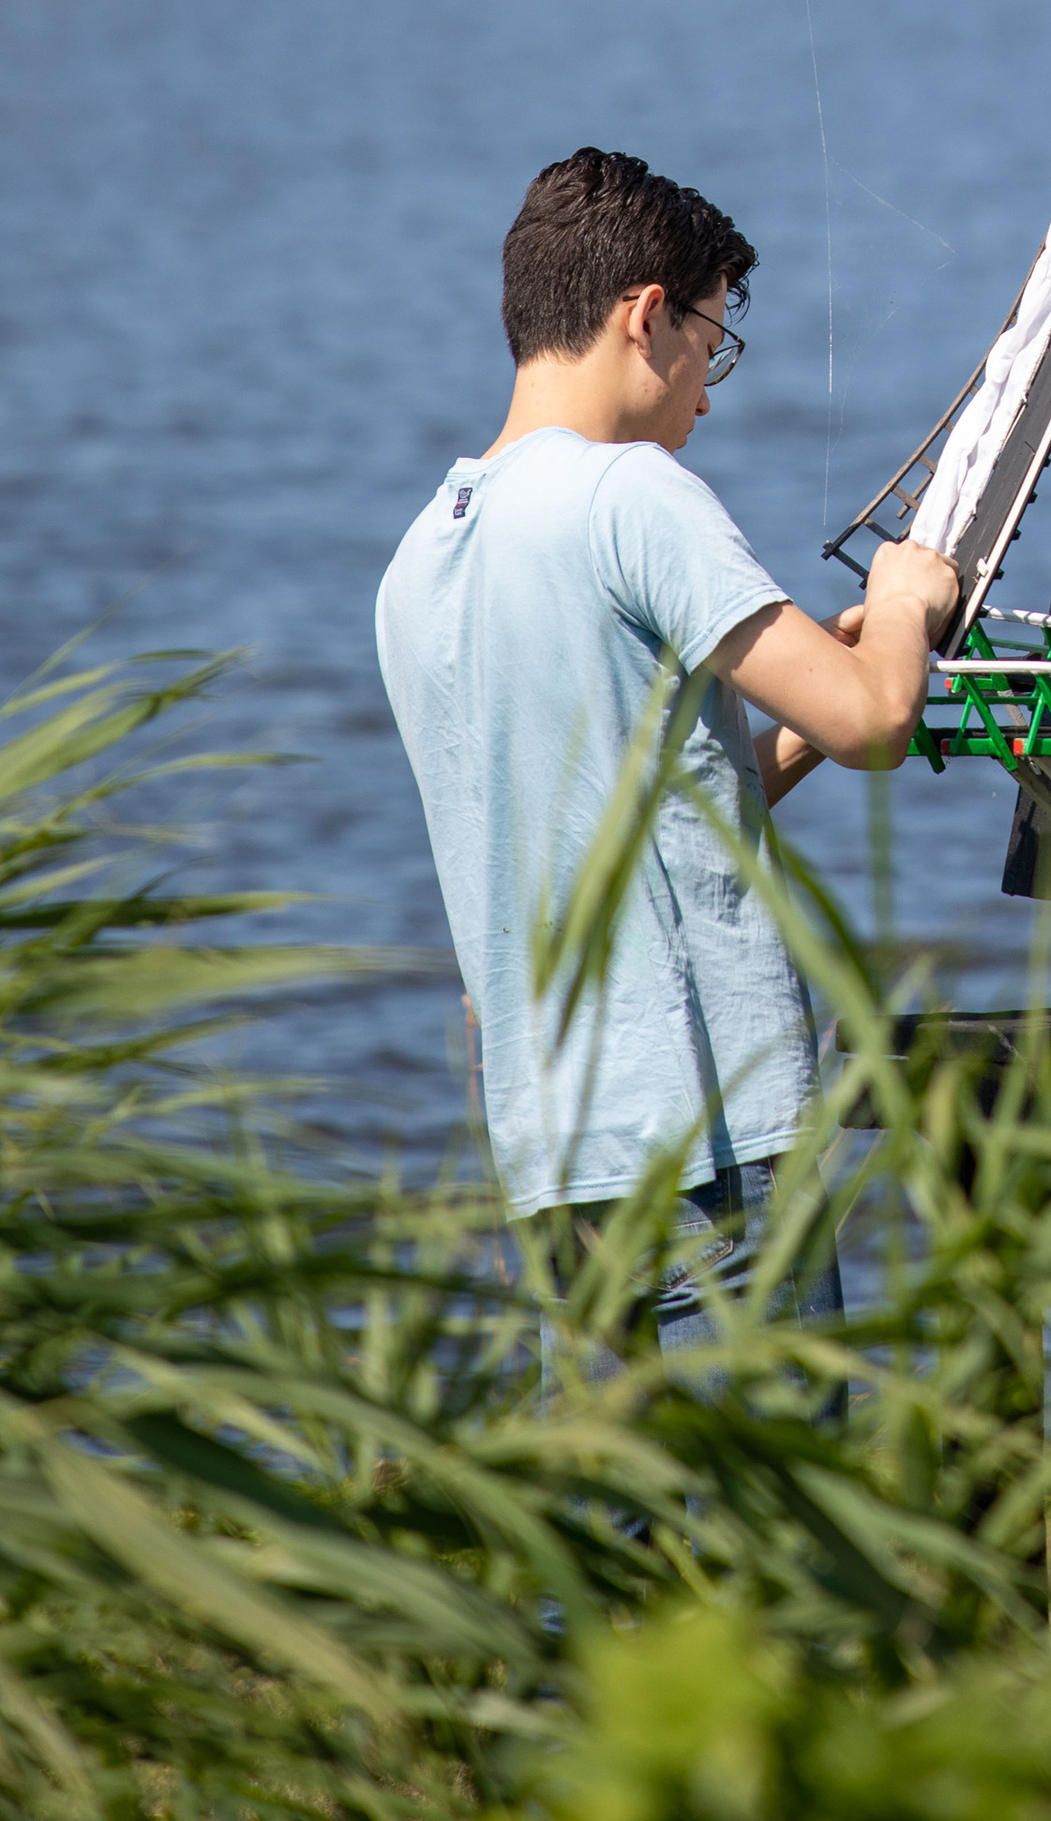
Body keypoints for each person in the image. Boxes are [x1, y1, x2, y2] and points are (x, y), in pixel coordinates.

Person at [376, 144, 959, 1348]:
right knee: (794, 1512)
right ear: (646, 317)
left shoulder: (422, 556)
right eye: (714, 336)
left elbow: (644, 808)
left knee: (600, 1525)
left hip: (553, 1154)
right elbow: (880, 721)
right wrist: (904, 606)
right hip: (712, 1127)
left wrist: (799, 714)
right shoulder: (632, 494)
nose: (711, 379)